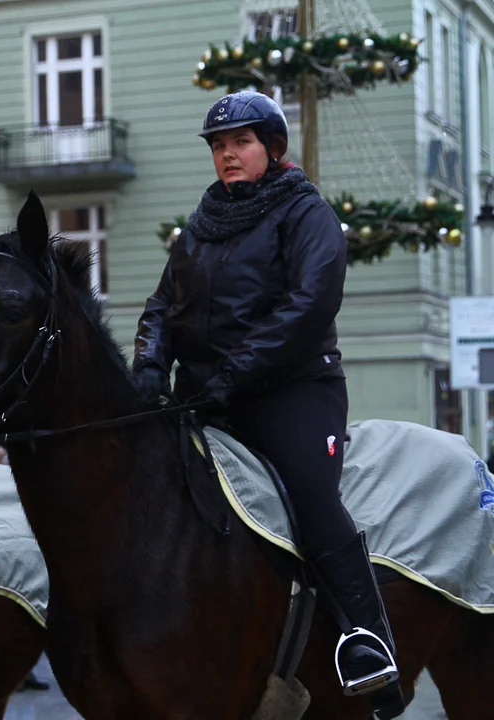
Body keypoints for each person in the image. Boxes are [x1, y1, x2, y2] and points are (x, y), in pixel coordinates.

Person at [131, 91, 404, 717]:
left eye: (242, 143)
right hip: (204, 396)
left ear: (272, 148)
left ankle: (369, 645)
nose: (228, 154)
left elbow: (307, 306)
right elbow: (159, 306)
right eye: (220, 146)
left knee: (311, 496)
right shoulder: (201, 224)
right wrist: (149, 364)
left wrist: (232, 375)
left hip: (292, 391)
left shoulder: (306, 213)